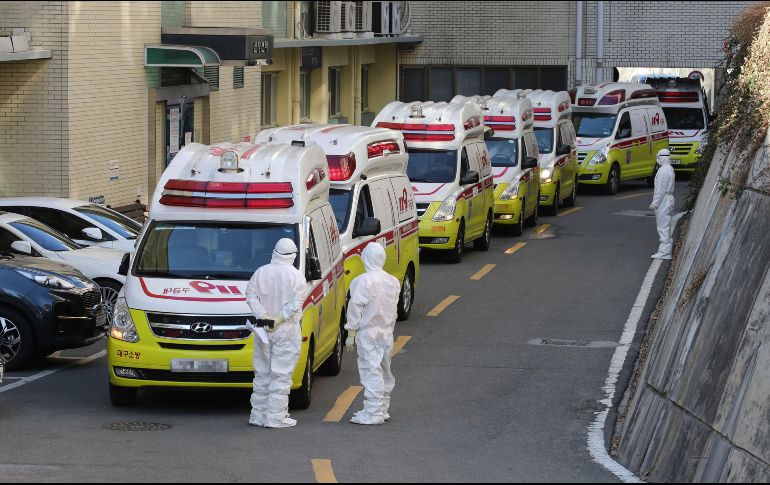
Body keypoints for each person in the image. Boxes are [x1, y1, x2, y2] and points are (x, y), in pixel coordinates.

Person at [245, 238, 307, 428]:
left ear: (274, 252)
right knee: (280, 375)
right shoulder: (297, 277)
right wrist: (279, 318)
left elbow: (250, 295)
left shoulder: (261, 272)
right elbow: (295, 304)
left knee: (262, 373)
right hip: (285, 330)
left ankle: (258, 414)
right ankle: (275, 417)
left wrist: (263, 315)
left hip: (263, 329)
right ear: (294, 255)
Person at [345, 242, 401, 425]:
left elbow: (355, 307)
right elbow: (393, 308)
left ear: (366, 258)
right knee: (384, 370)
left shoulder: (362, 281)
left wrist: (351, 331)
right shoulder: (393, 281)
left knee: (371, 371)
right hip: (387, 332)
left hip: (368, 333)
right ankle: (383, 408)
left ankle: (373, 411)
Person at [650, 148, 676, 260]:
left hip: (663, 200)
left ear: (662, 158)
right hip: (669, 199)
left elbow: (660, 189)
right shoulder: (670, 169)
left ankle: (665, 252)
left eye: (658, 157)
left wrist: (655, 203)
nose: (657, 160)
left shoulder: (663, 171)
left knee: (662, 226)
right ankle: (666, 248)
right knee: (666, 224)